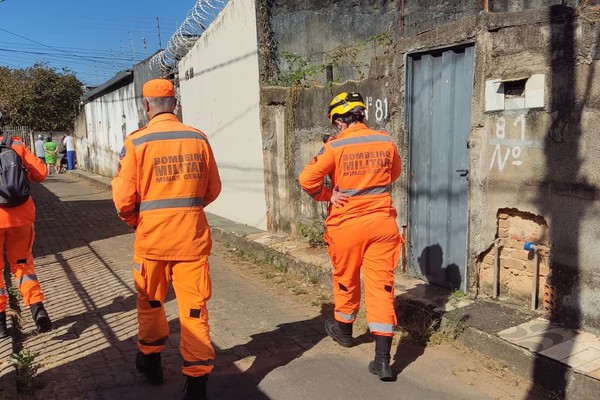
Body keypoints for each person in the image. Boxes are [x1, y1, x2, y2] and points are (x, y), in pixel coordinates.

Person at [111, 78, 222, 400]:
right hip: (191, 240)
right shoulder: (197, 138)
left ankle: (150, 359)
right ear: (175, 104)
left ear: (146, 106)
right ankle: (198, 382)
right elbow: (212, 189)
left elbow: (122, 199)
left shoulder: (136, 143)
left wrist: (137, 221)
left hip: (152, 242)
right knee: (193, 309)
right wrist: (188, 211)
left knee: (152, 302)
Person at [298, 92, 403, 381]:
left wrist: (329, 195)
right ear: (360, 116)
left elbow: (306, 180)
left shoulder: (335, 146)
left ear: (340, 121)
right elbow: (393, 174)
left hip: (347, 225)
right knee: (382, 287)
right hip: (383, 224)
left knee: (346, 279)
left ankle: (344, 330)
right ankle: (383, 361)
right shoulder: (385, 140)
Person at [0, 131, 52, 339]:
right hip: (20, 217)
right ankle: (37, 308)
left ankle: (1, 325)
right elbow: (41, 173)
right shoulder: (16, 144)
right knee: (23, 265)